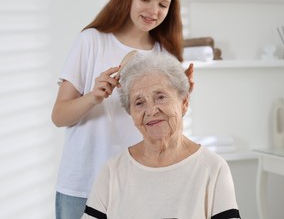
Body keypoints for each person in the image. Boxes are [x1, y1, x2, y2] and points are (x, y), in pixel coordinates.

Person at [51, 0, 194, 218]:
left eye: (163, 5)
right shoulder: (92, 41)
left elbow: (164, 127)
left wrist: (182, 100)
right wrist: (93, 97)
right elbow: (59, 116)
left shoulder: (166, 55)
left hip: (140, 183)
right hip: (83, 184)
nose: (153, 10)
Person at [83, 53, 240, 219]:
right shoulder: (112, 171)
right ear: (131, 113)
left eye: (160, 97)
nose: (151, 111)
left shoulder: (212, 168)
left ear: (184, 103)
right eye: (139, 102)